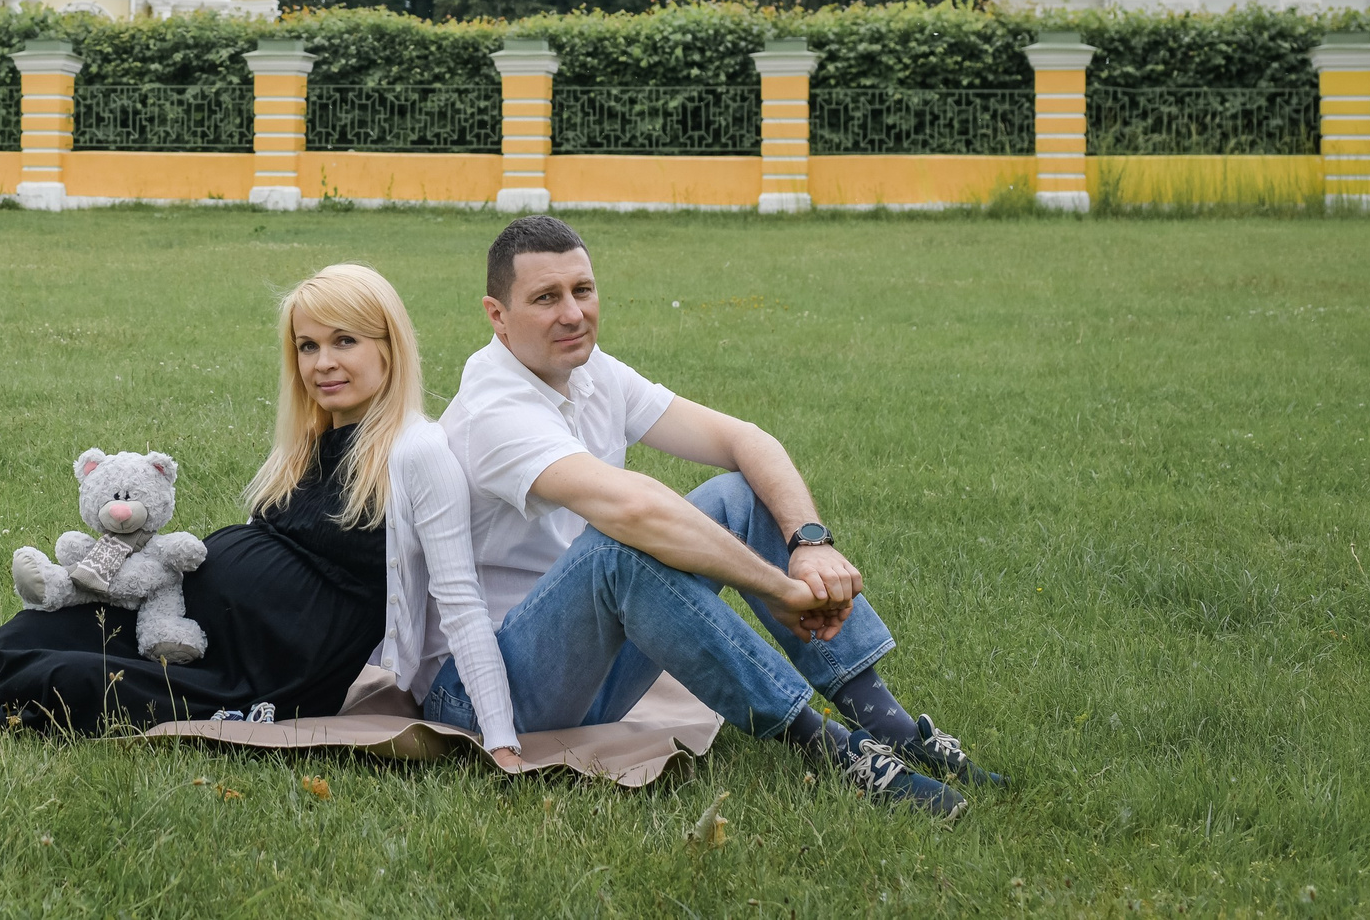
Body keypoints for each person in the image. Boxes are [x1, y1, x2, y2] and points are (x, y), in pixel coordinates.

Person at [419, 213, 1002, 817]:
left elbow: (743, 439)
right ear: (498, 316)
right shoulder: (495, 405)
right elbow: (634, 509)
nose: (573, 313)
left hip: (587, 671)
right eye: (546, 298)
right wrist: (776, 587)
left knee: (737, 496)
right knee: (619, 553)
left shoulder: (590, 372)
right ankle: (834, 751)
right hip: (485, 695)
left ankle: (888, 724)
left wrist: (810, 542)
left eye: (583, 290)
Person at [0, 265, 517, 757]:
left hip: (266, 670)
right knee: (26, 633)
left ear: (390, 347)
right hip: (196, 629)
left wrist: (502, 740)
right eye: (308, 346)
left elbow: (461, 600)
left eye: (345, 341)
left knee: (64, 678)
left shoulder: (418, 451)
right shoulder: (310, 439)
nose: (322, 362)